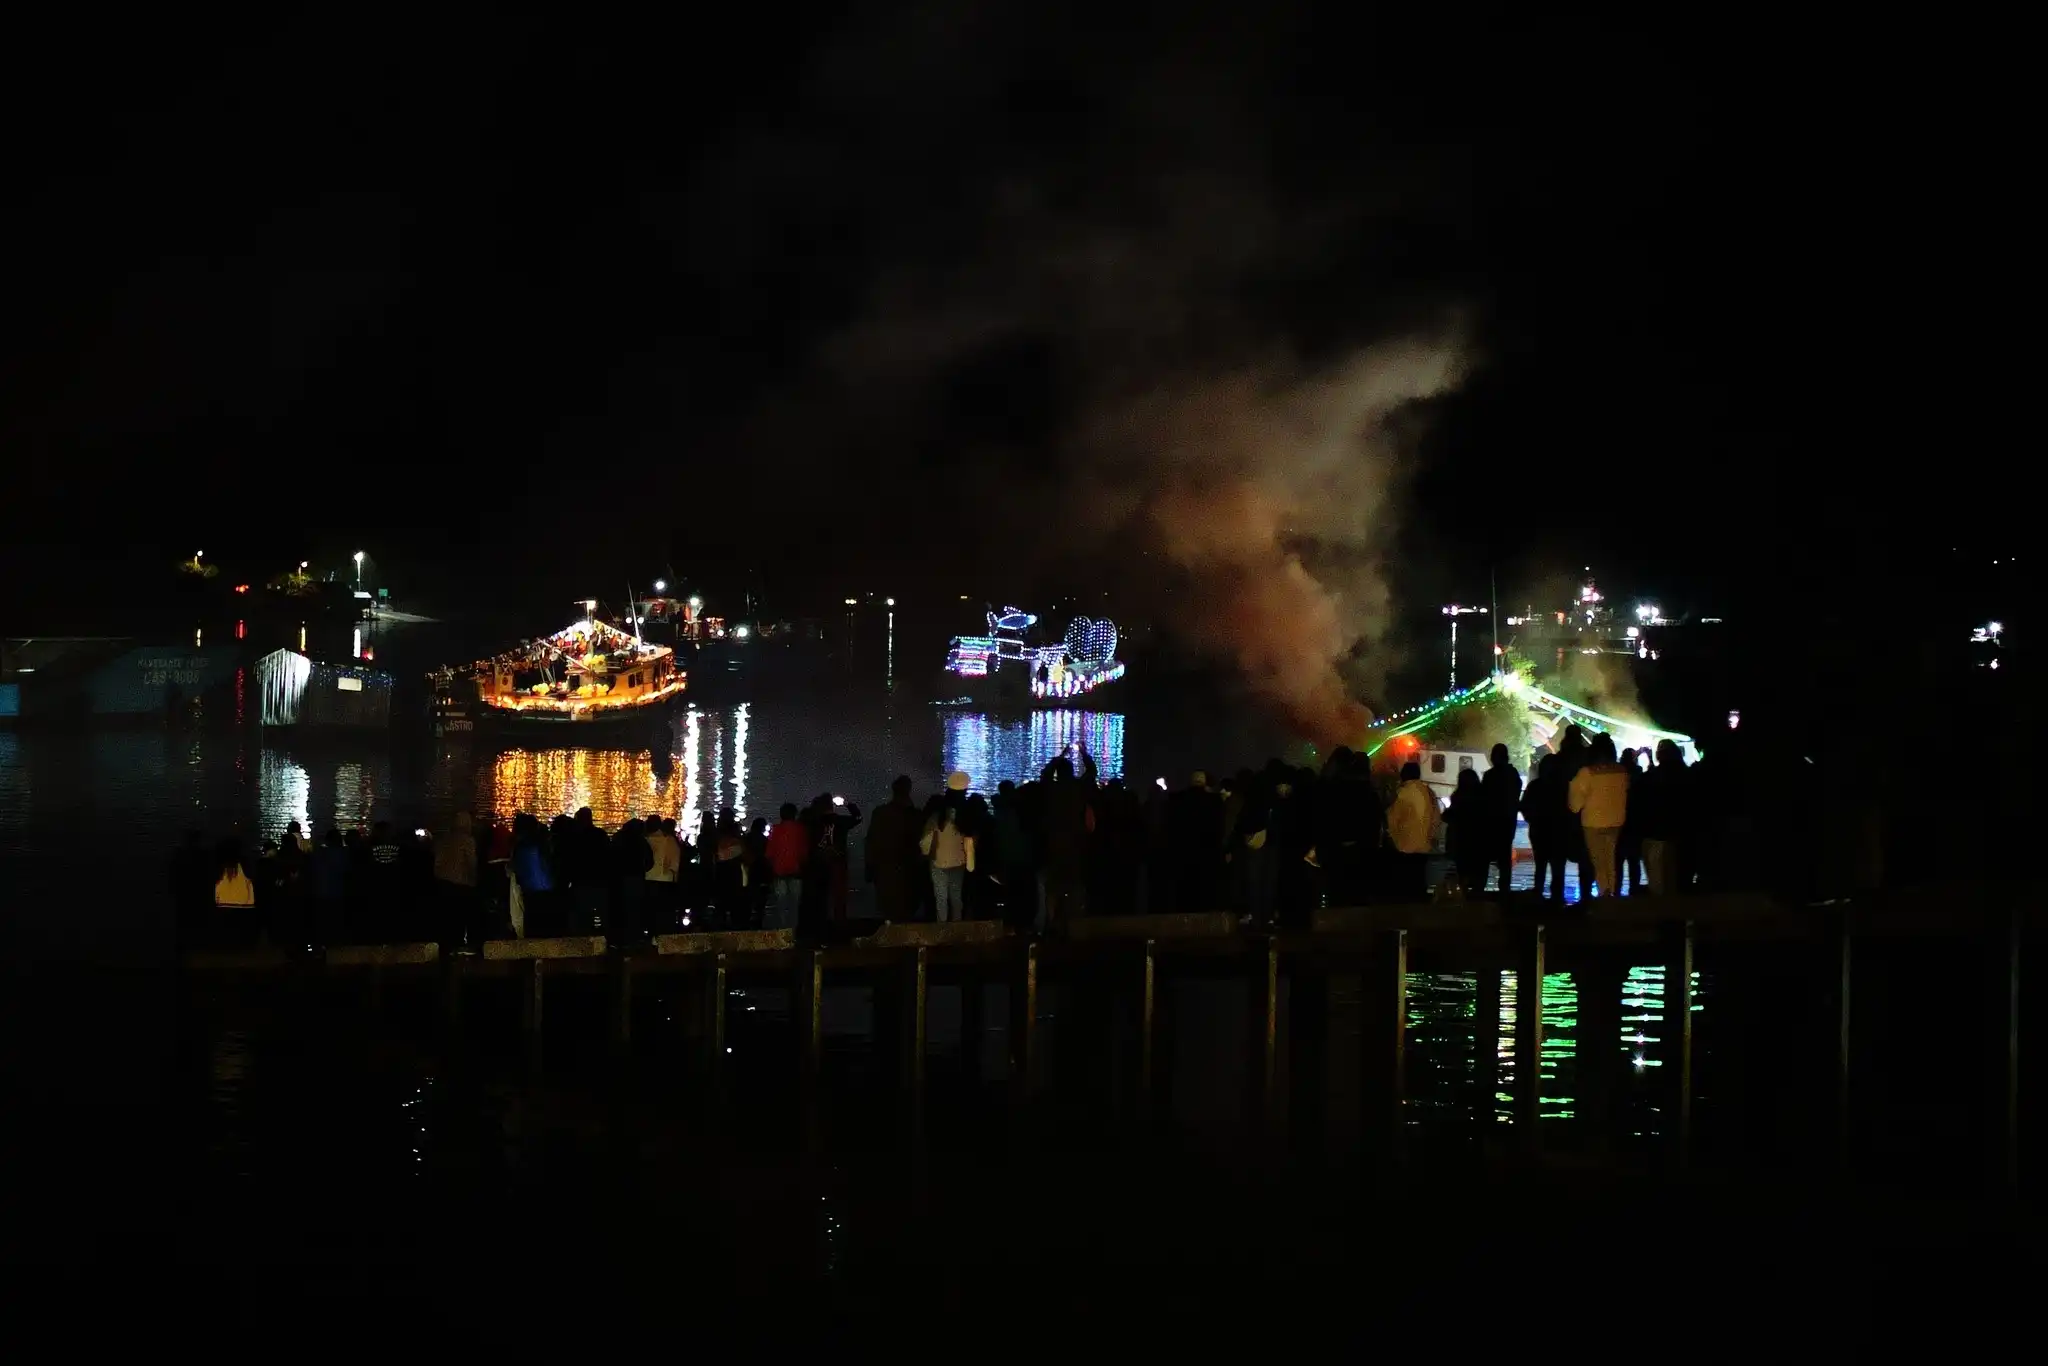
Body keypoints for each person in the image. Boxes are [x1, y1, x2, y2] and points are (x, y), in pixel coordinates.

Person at [1568, 734, 1632, 899]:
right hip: (1617, 822)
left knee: (1598, 863)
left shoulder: (1587, 772)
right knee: (1612, 862)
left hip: (1593, 823)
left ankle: (1604, 897)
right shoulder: (1621, 771)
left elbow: (1575, 805)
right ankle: (1613, 894)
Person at [864, 776, 923, 922]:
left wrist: (870, 866)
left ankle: (890, 930)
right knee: (907, 904)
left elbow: (871, 841)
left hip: (885, 866)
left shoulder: (880, 813)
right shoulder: (915, 815)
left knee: (888, 904)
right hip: (908, 866)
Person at [1385, 761, 1440, 901]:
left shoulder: (1401, 793)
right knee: (1419, 882)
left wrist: (1392, 839)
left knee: (1404, 886)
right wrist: (1430, 838)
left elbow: (1391, 820)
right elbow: (1435, 818)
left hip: (1403, 848)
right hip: (1423, 848)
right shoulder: (1429, 792)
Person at [920, 790, 973, 923]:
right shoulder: (963, 818)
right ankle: (957, 928)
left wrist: (926, 854)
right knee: (956, 898)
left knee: (941, 899)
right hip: (958, 862)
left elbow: (925, 842)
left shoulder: (936, 818)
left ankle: (942, 931)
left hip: (938, 862)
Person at [1479, 743, 1522, 895]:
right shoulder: (1513, 774)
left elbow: (1483, 799)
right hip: (1508, 822)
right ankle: (1505, 890)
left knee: (1484, 857)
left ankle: (1480, 889)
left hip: (1491, 822)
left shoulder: (1490, 776)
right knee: (1504, 857)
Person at [432, 811, 479, 950]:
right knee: (459, 919)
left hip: (443, 884)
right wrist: (474, 880)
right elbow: (471, 863)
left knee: (446, 919)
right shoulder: (467, 841)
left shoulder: (444, 840)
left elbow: (437, 862)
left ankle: (445, 948)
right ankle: (458, 949)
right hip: (461, 885)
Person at [764, 802, 809, 931]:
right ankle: (794, 930)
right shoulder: (800, 829)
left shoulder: (776, 829)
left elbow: (769, 853)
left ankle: (784, 931)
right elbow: (803, 853)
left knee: (781, 905)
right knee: (795, 906)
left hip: (779, 873)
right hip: (796, 872)